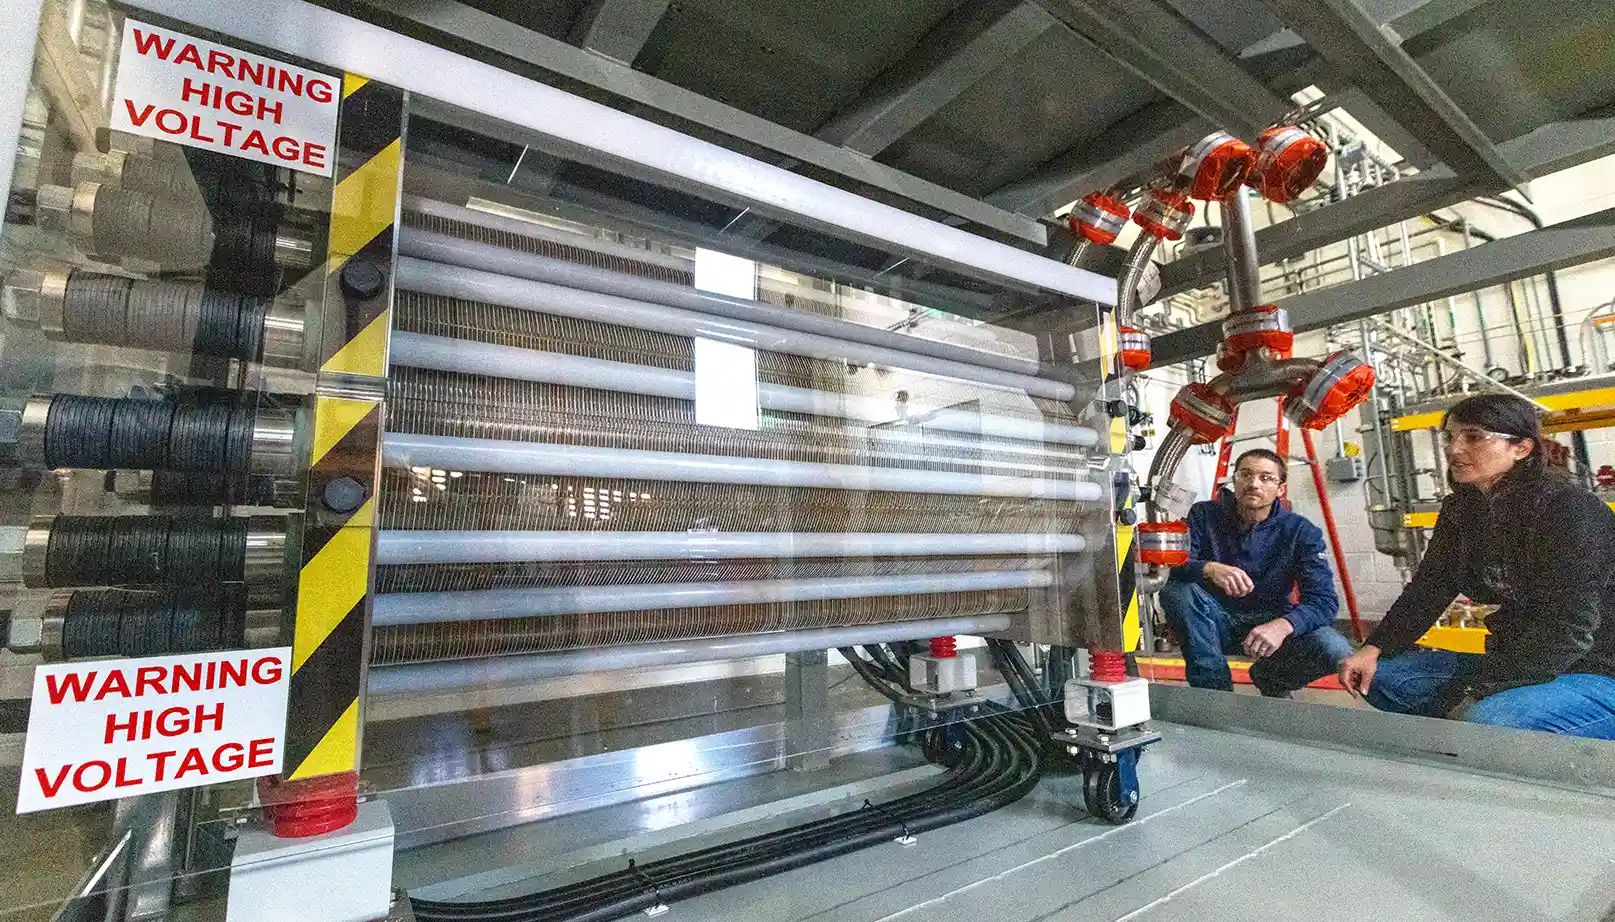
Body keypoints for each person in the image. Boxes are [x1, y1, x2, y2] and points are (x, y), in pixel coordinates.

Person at [1339, 394, 1615, 739]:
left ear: (1522, 448)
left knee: (1490, 721)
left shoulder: (1571, 511)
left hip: (1597, 666)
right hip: (1513, 655)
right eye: (1450, 437)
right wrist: (1373, 648)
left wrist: (1482, 691)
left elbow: (1571, 625)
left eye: (1473, 437)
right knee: (1380, 678)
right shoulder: (1462, 510)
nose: (1454, 450)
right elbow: (1429, 588)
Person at [1159, 448, 1352, 697]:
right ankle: (1215, 695)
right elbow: (1174, 566)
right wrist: (1208, 568)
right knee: (1177, 593)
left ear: (1280, 489)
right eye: (1246, 475)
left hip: (1271, 624)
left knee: (1333, 647)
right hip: (1213, 622)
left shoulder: (1301, 532)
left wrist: (1283, 626)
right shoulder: (1203, 515)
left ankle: (1272, 678)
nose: (1254, 484)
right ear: (1234, 480)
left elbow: (1323, 602)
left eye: (1266, 478)